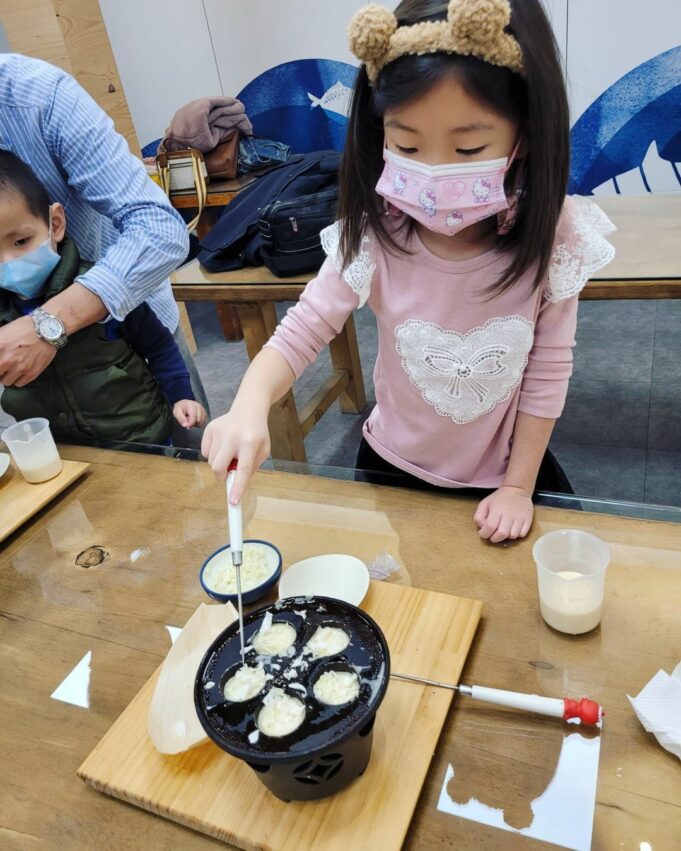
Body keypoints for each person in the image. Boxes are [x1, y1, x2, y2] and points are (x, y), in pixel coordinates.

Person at [201, 0, 616, 543]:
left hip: (508, 475)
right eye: (407, 144)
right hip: (393, 466)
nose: (436, 171)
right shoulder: (376, 231)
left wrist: (517, 487)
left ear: (527, 134)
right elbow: (305, 327)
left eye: (468, 148)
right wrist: (248, 404)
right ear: (380, 133)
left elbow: (547, 371)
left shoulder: (554, 237)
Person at [0, 53, 208, 447]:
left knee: (191, 476)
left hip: (124, 325)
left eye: (21, 241)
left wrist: (49, 325)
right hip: (57, 424)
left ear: (54, 223)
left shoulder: (38, 96)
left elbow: (161, 228)